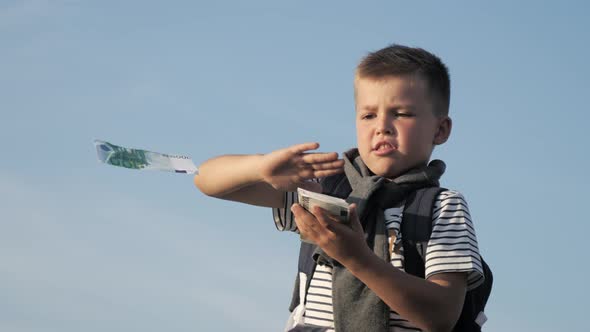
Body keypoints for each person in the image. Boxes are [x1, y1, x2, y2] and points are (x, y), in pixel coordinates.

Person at [194, 44, 485, 332]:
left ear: (440, 129)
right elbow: (206, 181)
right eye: (368, 115)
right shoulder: (326, 188)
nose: (382, 126)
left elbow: (442, 315)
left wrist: (357, 258)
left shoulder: (443, 207)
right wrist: (259, 167)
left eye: (402, 113)